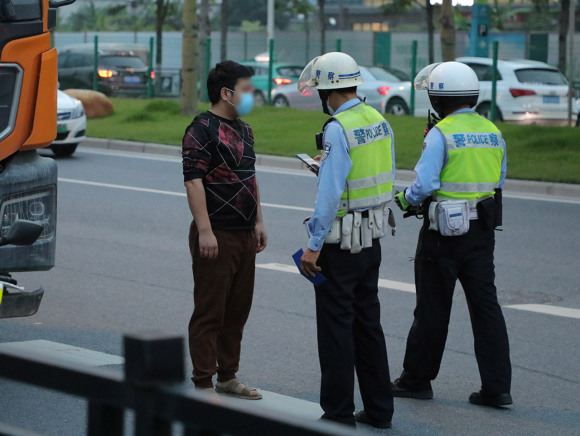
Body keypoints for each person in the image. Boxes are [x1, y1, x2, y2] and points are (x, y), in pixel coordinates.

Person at [392, 61, 512, 407]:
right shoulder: (493, 131)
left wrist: (405, 199)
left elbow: (425, 185)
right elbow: (498, 180)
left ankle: (416, 379)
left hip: (443, 233)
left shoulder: (441, 133)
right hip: (482, 232)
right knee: (486, 307)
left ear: (437, 98)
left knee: (432, 308)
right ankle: (497, 387)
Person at [298, 52, 395, 428]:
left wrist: (313, 245)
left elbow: (330, 194)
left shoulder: (338, 127)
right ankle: (379, 410)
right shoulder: (378, 119)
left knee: (336, 329)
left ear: (328, 90)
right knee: (368, 325)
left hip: (341, 243)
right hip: (371, 239)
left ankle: (338, 413)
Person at [182, 60, 267, 399]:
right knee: (210, 311)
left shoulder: (245, 130)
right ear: (225, 93)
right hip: (216, 233)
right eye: (246, 90)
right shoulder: (200, 128)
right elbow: (193, 182)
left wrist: (259, 221)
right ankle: (203, 382)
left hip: (245, 233)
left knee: (236, 311)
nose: (251, 96)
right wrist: (205, 230)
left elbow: (250, 177)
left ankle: (227, 377)